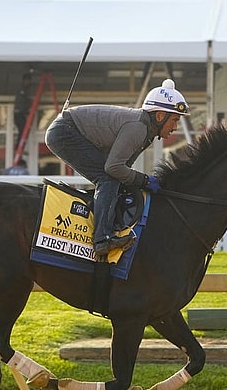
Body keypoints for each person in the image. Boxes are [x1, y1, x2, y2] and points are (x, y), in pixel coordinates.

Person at [44, 78, 189, 258]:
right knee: (108, 178)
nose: (175, 127)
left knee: (113, 180)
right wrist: (144, 180)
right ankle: (102, 240)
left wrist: (137, 181)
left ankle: (101, 222)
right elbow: (113, 167)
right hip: (64, 132)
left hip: (68, 128)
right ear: (160, 116)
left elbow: (123, 169)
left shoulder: (147, 131)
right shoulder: (138, 128)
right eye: (174, 120)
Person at [13, 72, 33, 145]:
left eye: (29, 81)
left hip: (22, 113)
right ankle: (18, 145)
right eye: (27, 80)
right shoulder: (21, 90)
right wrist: (29, 104)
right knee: (22, 129)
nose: (28, 82)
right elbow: (22, 101)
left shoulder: (26, 89)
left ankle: (20, 145)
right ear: (23, 80)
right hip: (19, 113)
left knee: (24, 129)